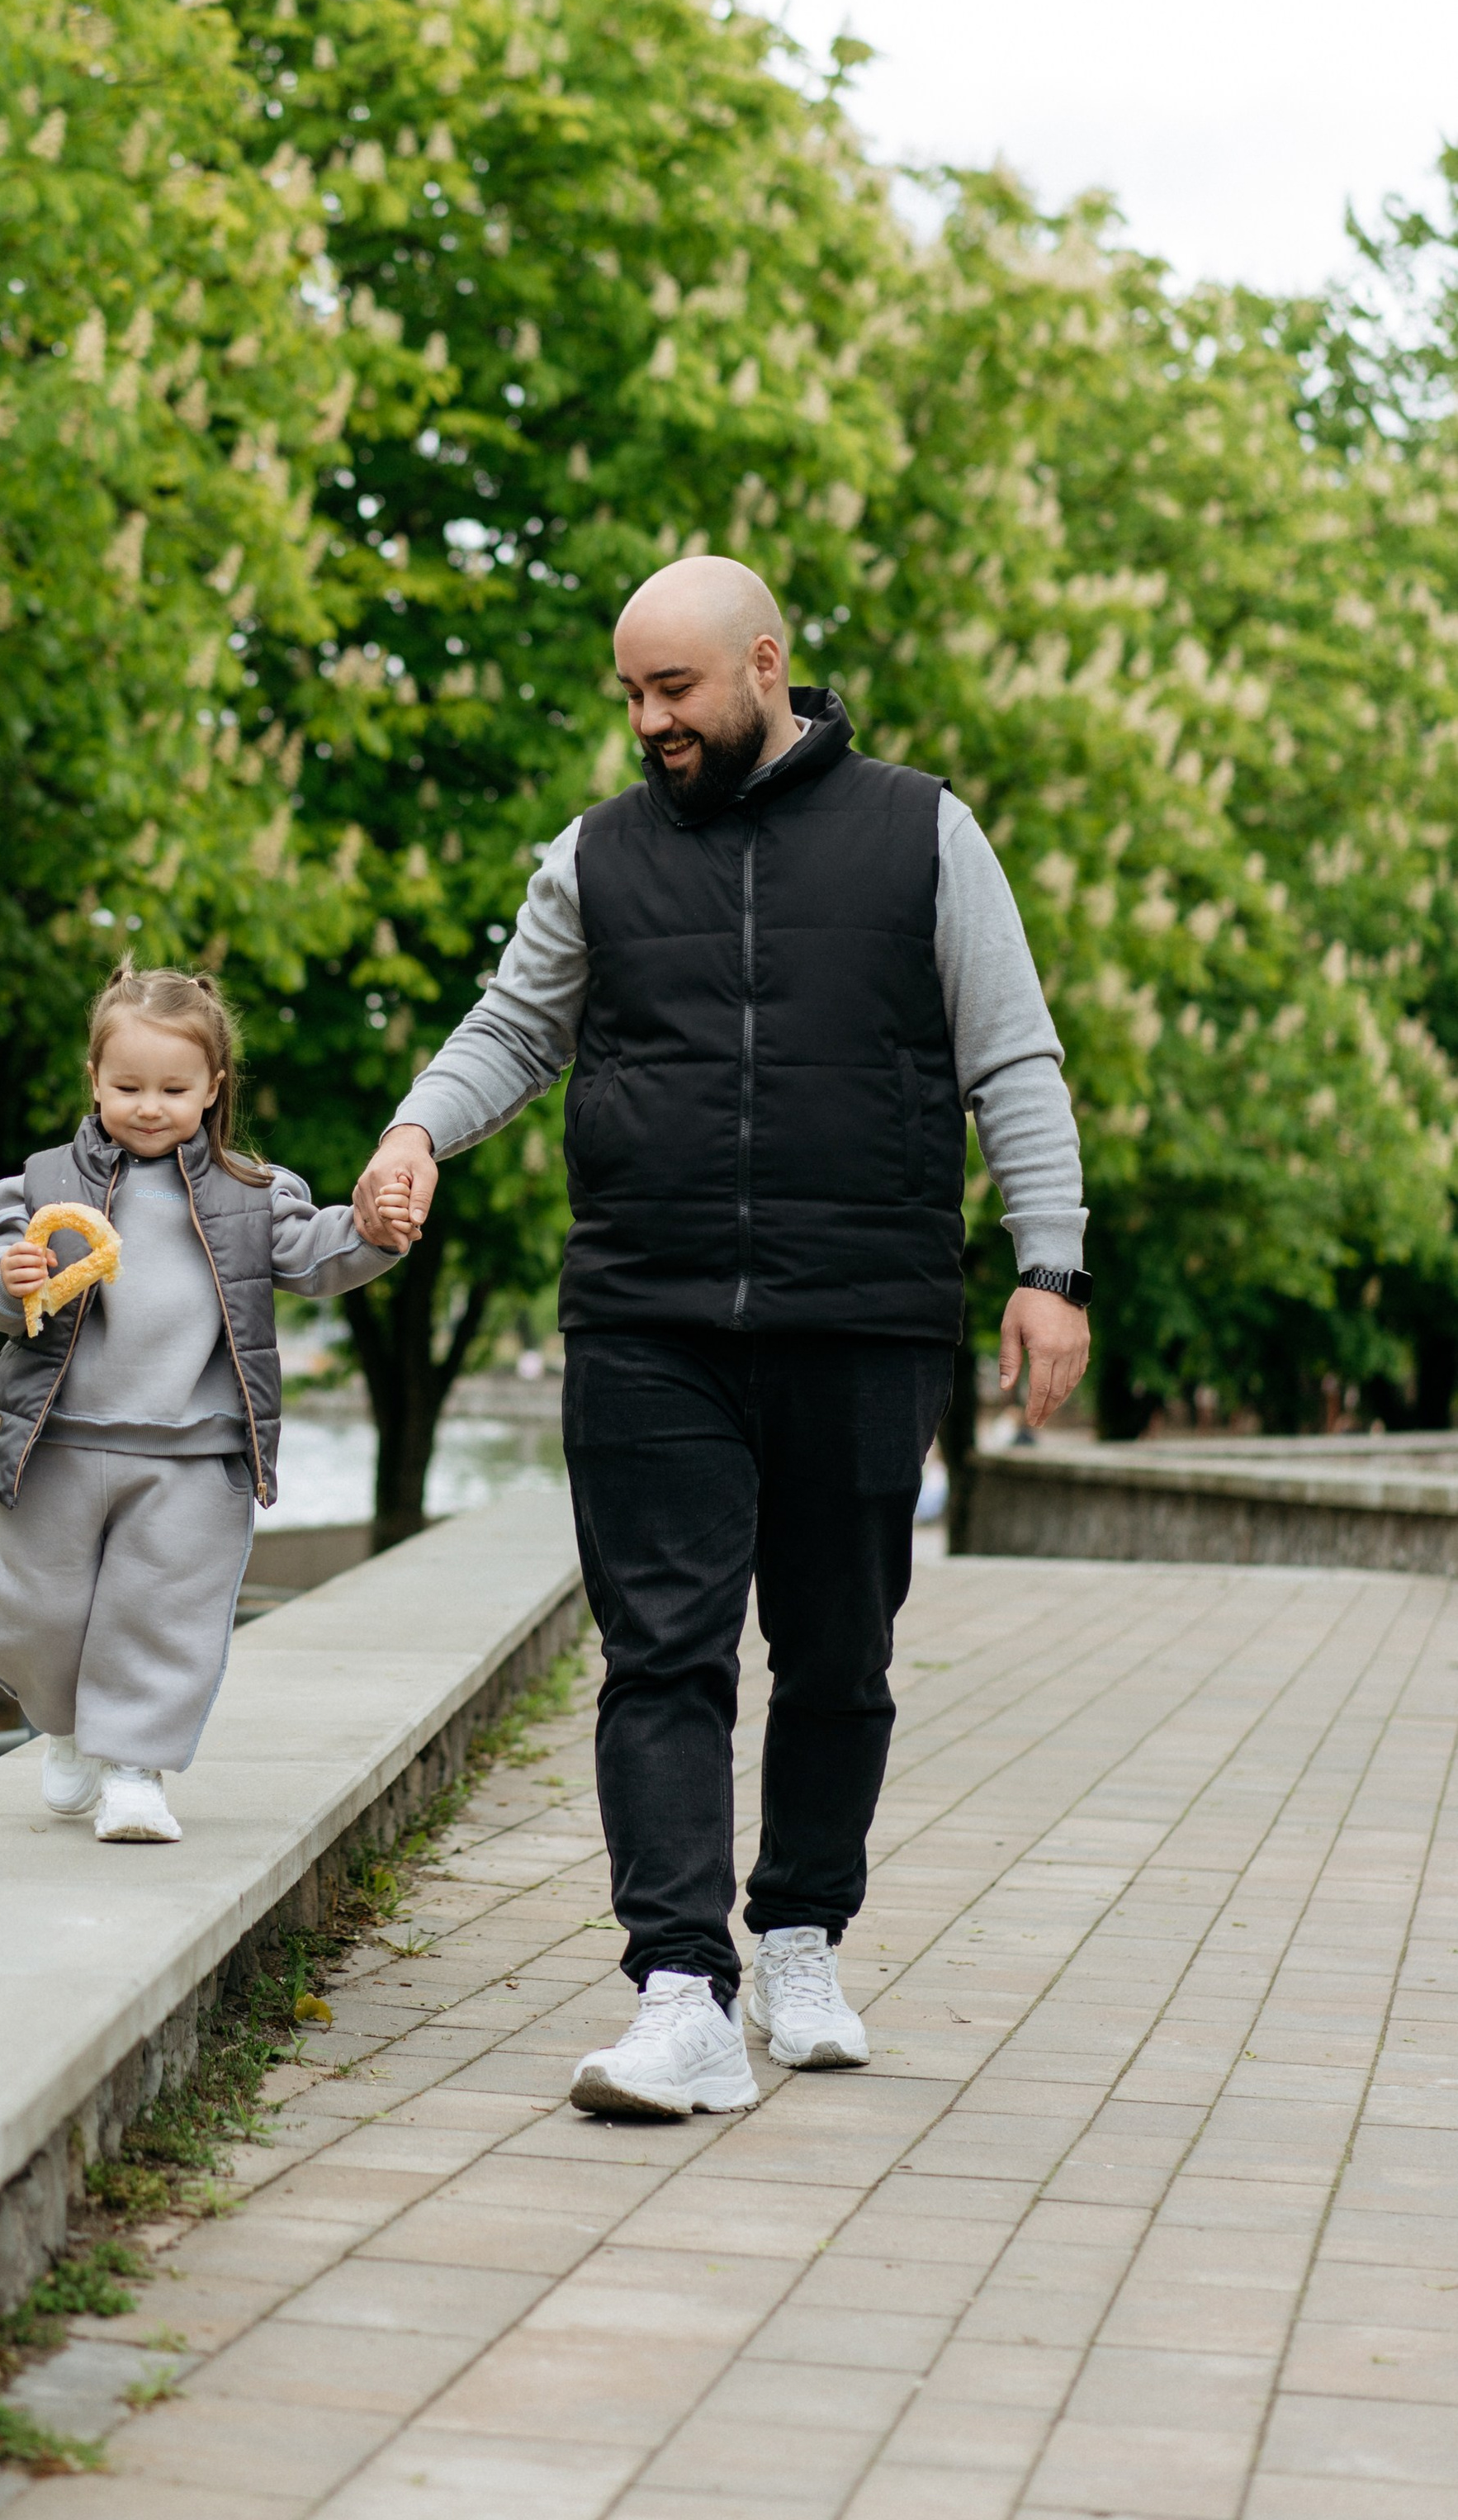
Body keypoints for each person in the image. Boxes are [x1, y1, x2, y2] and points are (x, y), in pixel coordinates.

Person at [353, 558, 1089, 2119]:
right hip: (648, 1315)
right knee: (663, 1654)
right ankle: (678, 1992)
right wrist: (422, 1128)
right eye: (629, 695)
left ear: (764, 666)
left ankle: (803, 1933)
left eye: (673, 690)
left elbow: (1009, 1051)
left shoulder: (921, 832)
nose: (648, 721)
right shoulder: (597, 857)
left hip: (868, 1312)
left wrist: (1052, 1264)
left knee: (837, 1652)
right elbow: (513, 1027)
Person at [0, 962, 400, 1844]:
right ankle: (68, 1724)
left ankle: (133, 1770)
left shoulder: (251, 1193)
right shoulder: (41, 1188)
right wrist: (8, 1282)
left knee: (161, 1613)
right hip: (60, 1443)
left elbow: (317, 1257)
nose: (149, 1105)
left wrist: (372, 1232)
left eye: (173, 1087)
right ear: (94, 1081)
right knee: (35, 1614)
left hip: (194, 1453)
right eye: (127, 1086)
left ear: (212, 1088)